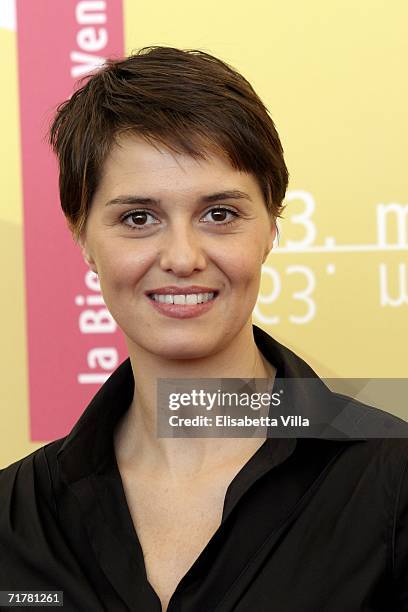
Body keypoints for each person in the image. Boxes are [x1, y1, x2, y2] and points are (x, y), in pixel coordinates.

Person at [0, 46, 407, 612]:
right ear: (81, 235)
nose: (183, 257)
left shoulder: (391, 476)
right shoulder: (14, 516)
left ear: (271, 225)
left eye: (219, 213)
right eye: (138, 218)